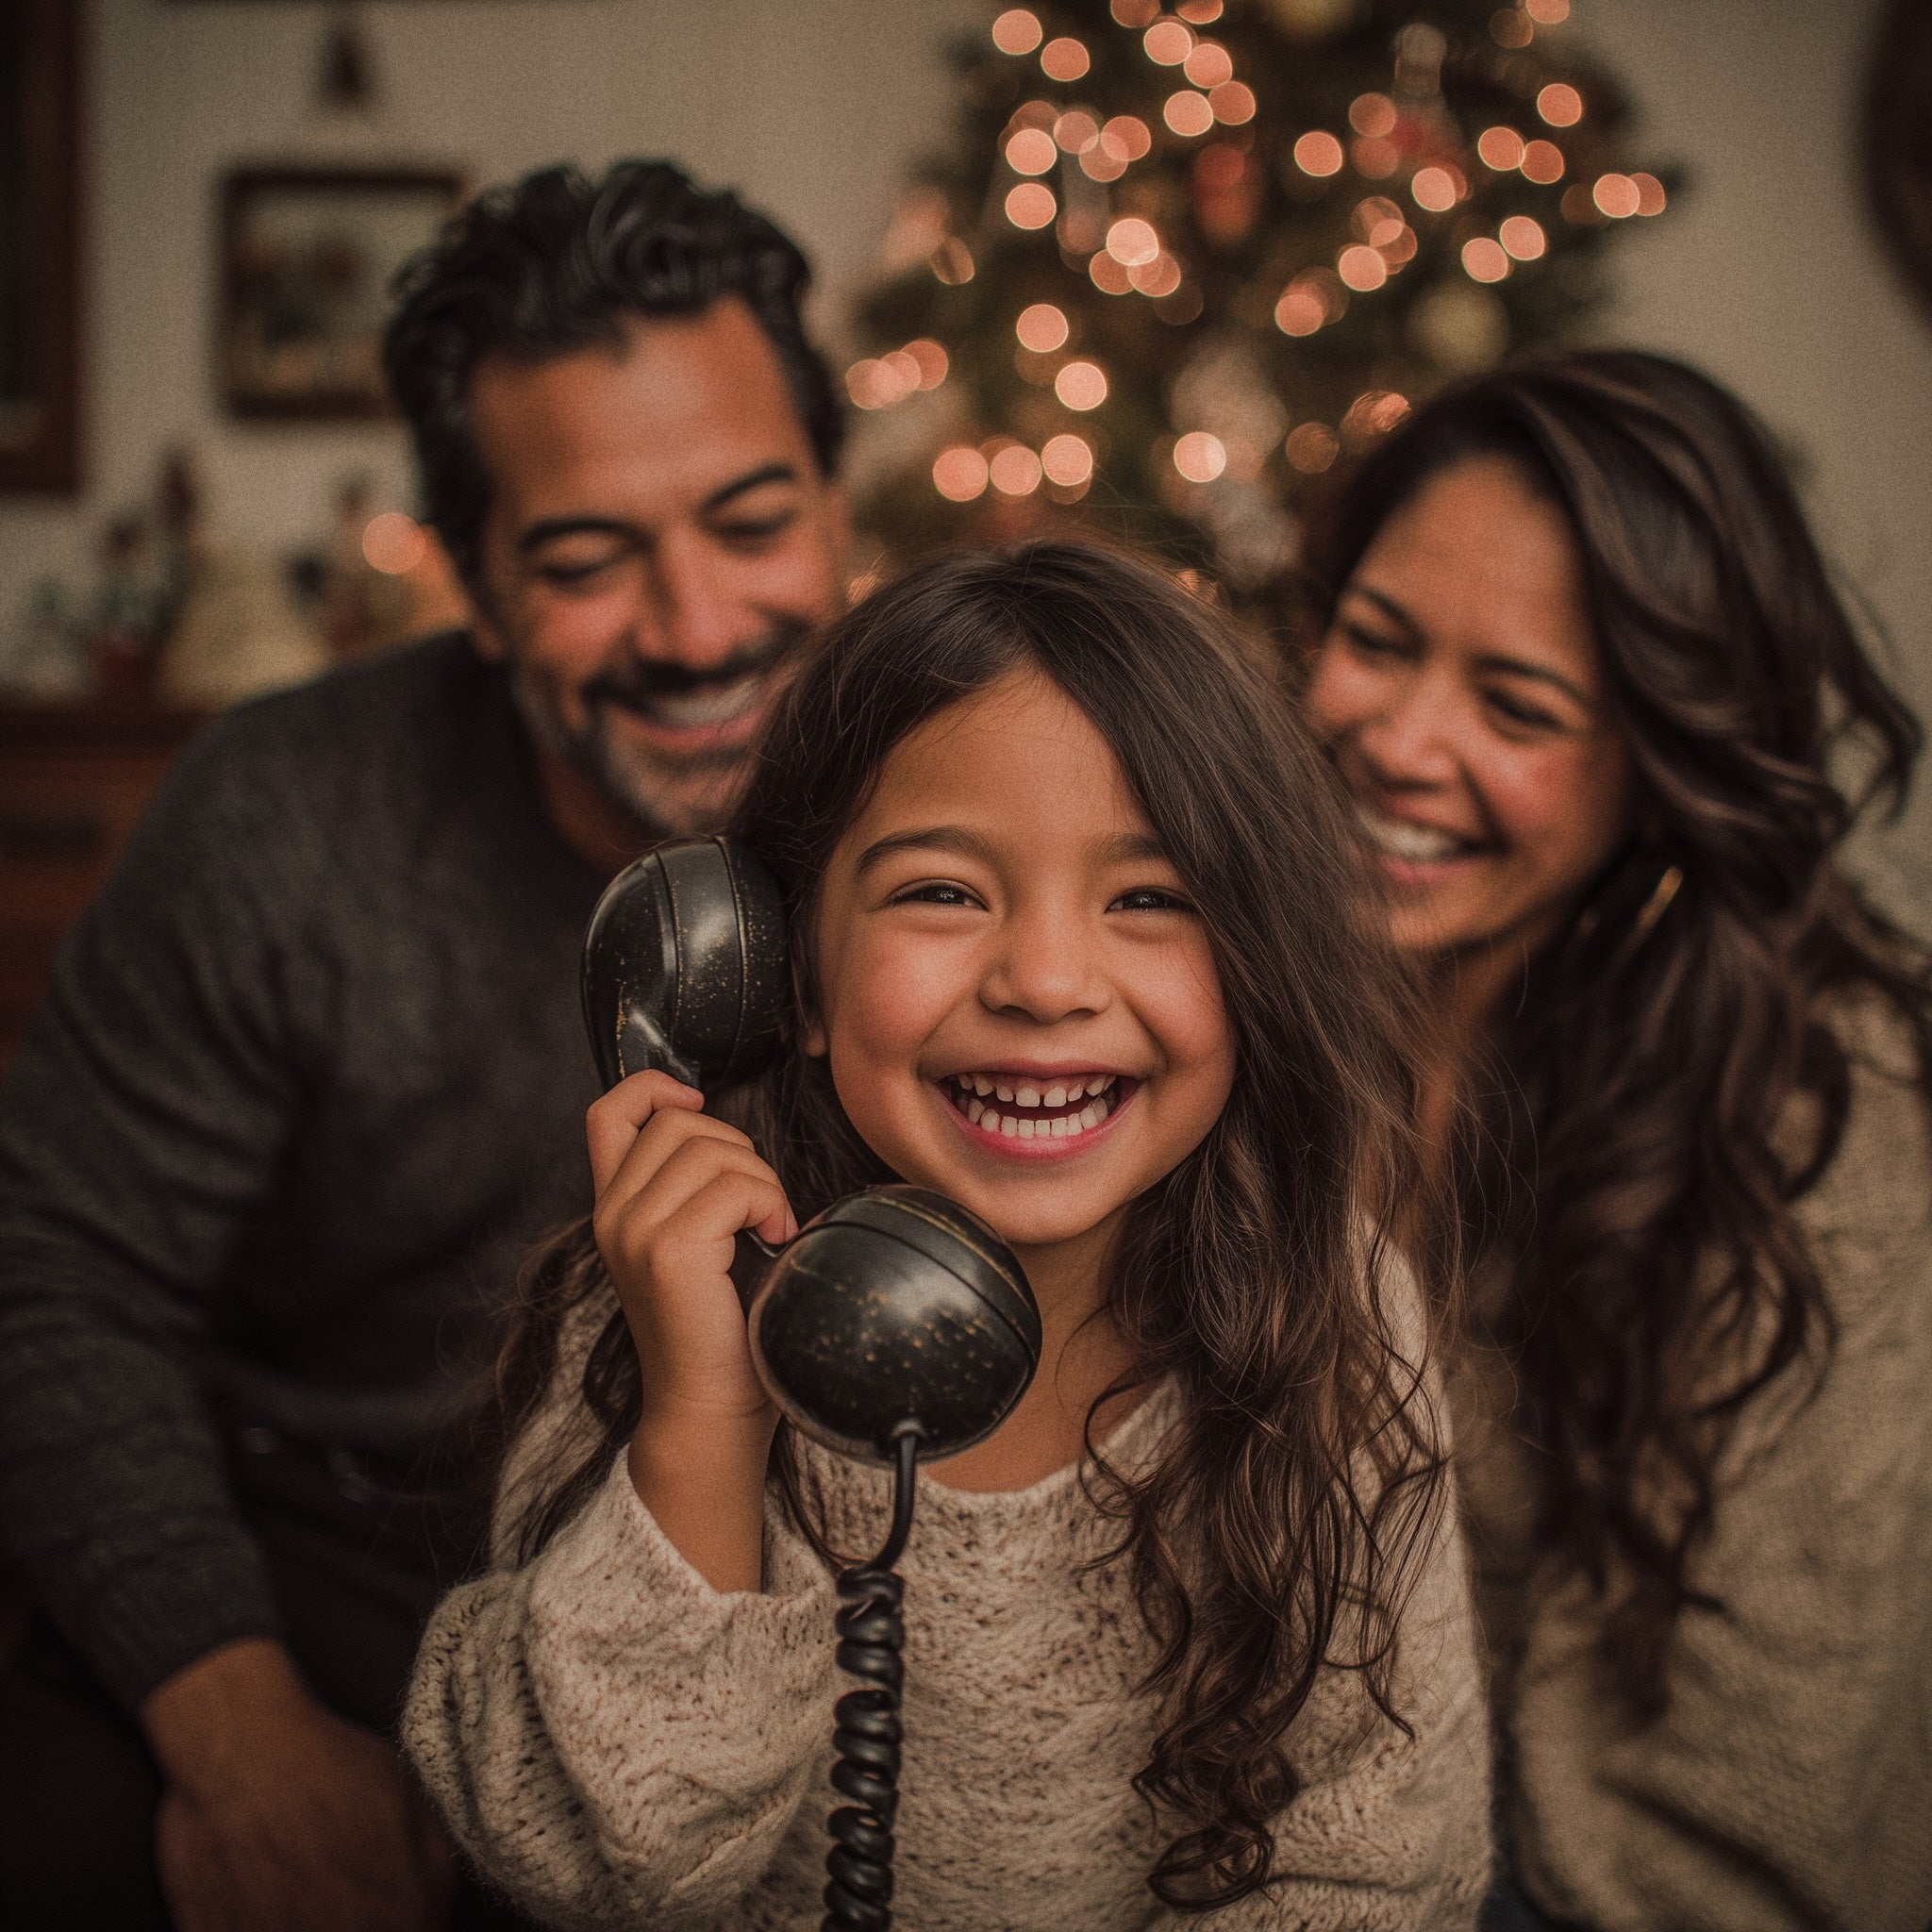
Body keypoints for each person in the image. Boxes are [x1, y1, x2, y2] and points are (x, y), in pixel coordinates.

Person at [403, 541, 1491, 1929]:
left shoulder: (1332, 1307)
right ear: (779, 970)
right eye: (941, 890)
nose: (1045, 983)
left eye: (1150, 898)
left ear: (1257, 964)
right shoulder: (656, 1313)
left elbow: (1377, 1862)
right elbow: (582, 1861)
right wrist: (704, 1413)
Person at [0, 158, 849, 1930]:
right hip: (322, 1562)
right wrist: (236, 1731)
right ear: (472, 582)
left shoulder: (964, 815)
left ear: (837, 505)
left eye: (753, 520)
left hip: (805, 1561)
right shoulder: (279, 813)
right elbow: (58, 1278)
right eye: (586, 559)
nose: (696, 629)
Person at [1299, 350, 1932, 1932]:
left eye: (1517, 706)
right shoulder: (1286, 983)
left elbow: (1730, 1827)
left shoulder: (1820, 1109)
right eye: (1375, 641)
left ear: (1664, 767)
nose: (1398, 739)